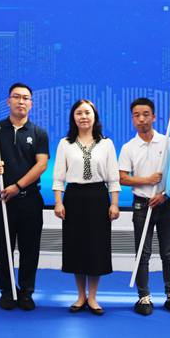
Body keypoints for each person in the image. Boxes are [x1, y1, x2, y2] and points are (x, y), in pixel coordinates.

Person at [119, 97, 170, 316]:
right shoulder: (129, 147)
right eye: (136, 115)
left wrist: (164, 195)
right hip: (142, 205)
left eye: (146, 114)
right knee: (143, 253)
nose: (141, 119)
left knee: (169, 252)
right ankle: (144, 297)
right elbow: (122, 177)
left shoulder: (169, 143)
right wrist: (147, 180)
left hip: (166, 204)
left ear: (154, 117)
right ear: (132, 119)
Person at [52, 99, 120, 315]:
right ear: (73, 117)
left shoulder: (106, 144)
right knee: (77, 248)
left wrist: (114, 204)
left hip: (98, 198)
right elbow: (58, 177)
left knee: (96, 248)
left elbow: (113, 177)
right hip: (74, 199)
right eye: (79, 113)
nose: (83, 116)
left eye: (87, 112)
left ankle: (93, 297)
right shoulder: (65, 144)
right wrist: (58, 202)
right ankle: (80, 296)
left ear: (94, 116)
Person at [0, 82, 49, 311]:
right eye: (16, 97)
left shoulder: (38, 133)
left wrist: (18, 186)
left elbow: (41, 165)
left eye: (25, 98)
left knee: (30, 249)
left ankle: (26, 292)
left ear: (31, 103)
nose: (21, 101)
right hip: (2, 199)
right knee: (4, 247)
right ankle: (7, 291)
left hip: (29, 199)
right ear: (8, 101)